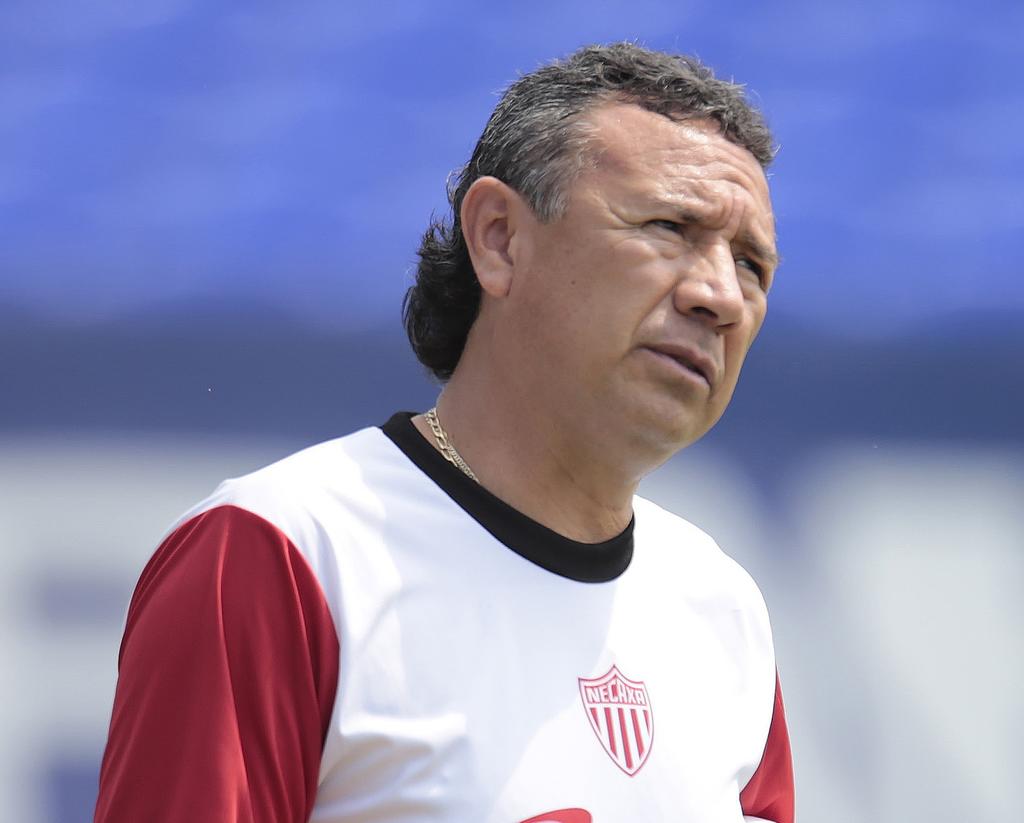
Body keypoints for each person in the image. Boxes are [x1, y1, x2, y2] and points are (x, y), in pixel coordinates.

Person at [95, 42, 794, 822]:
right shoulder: (285, 553)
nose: (719, 295)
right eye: (668, 226)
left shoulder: (723, 609)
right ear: (499, 237)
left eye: (752, 266)